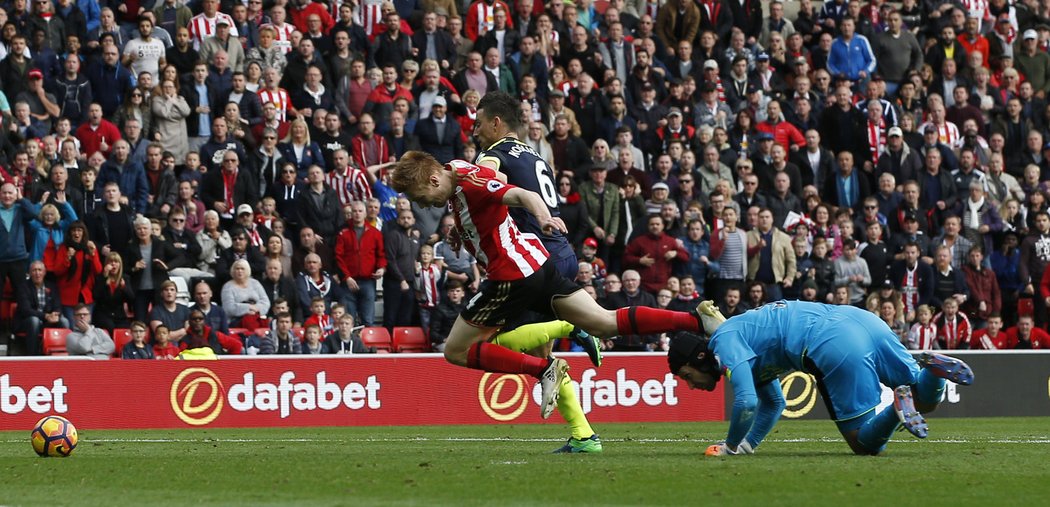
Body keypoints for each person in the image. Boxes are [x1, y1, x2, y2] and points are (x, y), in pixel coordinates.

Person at [388, 150, 709, 425]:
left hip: (510, 275)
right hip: (537, 265)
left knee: (455, 350)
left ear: (432, 181)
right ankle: (697, 319)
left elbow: (523, 195)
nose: (424, 206)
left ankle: (545, 369)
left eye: (421, 199)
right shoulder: (455, 169)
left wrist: (543, 219)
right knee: (605, 323)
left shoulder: (472, 183)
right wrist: (462, 230)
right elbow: (474, 201)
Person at [669, 300, 974, 456]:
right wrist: (748, 446)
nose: (692, 384)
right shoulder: (747, 341)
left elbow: (747, 402)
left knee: (864, 444)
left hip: (830, 342)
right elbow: (773, 403)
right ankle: (934, 369)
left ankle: (896, 409)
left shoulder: (724, 341)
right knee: (924, 399)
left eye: (687, 376)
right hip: (863, 320)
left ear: (699, 358)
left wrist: (730, 447)